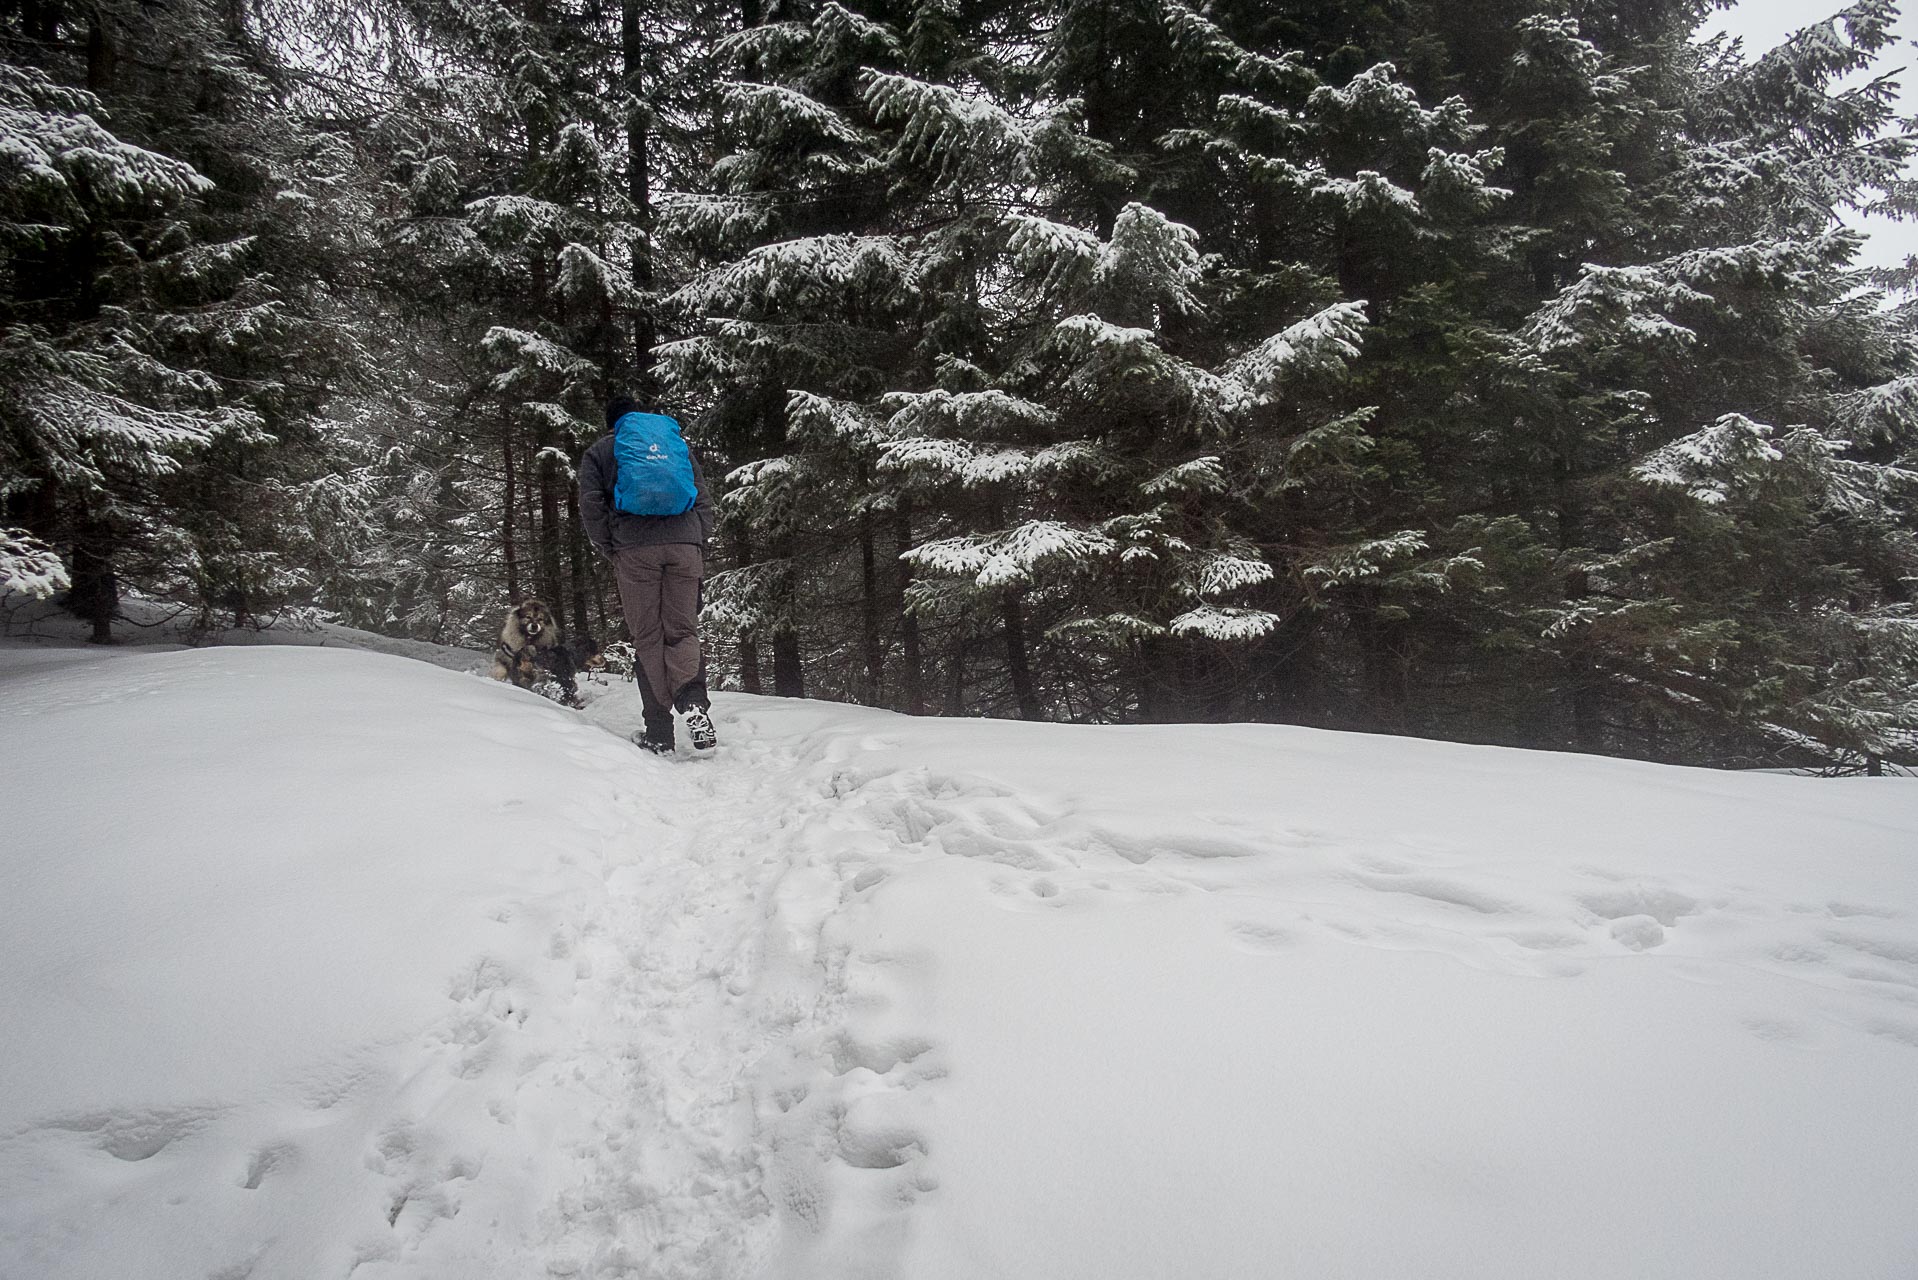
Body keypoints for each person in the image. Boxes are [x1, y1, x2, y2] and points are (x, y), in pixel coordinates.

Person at [579, 395, 719, 755]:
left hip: (635, 548)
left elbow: (592, 506)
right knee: (683, 630)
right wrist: (696, 538)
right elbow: (701, 496)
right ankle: (693, 702)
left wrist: (611, 545)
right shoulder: (674, 445)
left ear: (612, 423)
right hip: (685, 545)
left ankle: (659, 732)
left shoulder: (601, 451)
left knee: (648, 636)